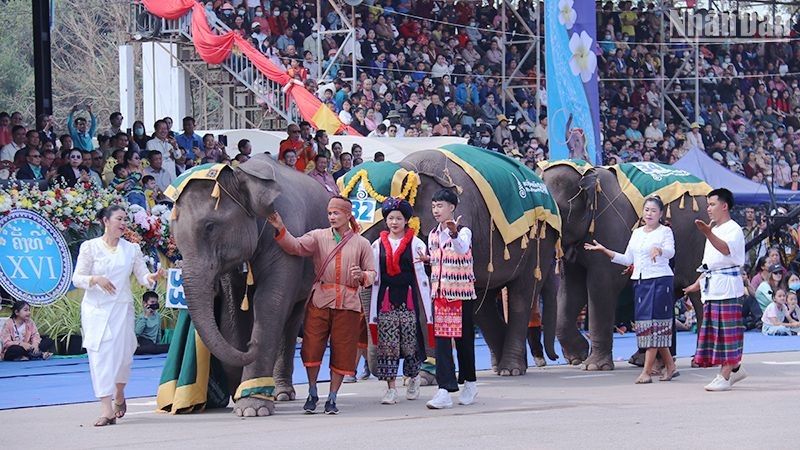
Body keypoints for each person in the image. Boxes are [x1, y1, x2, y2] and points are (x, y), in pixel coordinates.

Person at [267, 196, 376, 415]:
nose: (332, 217)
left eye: (336, 213)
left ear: (348, 215)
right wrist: (280, 228)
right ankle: (312, 391)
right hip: (320, 300)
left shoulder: (361, 243)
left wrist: (362, 275)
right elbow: (296, 246)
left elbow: (373, 274)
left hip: (348, 303)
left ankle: (333, 397)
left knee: (343, 351)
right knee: (311, 348)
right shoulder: (317, 236)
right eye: (330, 213)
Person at [72, 205, 165, 426]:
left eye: (125, 219)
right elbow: (77, 278)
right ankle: (106, 409)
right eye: (118, 219)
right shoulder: (90, 247)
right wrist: (95, 279)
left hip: (121, 310)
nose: (123, 223)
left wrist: (153, 276)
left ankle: (120, 394)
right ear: (105, 221)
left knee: (124, 357)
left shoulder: (131, 249)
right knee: (100, 356)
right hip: (96, 310)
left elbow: (143, 277)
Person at [585, 196, 679, 383]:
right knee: (647, 326)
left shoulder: (665, 232)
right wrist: (605, 251)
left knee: (654, 326)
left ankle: (646, 371)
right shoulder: (636, 233)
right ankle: (670, 365)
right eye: (646, 210)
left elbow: (671, 252)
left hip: (660, 280)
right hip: (640, 282)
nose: (649, 214)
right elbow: (628, 259)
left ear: (660, 214)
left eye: (653, 210)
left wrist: (660, 251)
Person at [418, 188, 478, 409]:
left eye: (440, 206)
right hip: (440, 295)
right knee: (442, 343)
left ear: (452, 207)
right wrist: (428, 258)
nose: (436, 210)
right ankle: (444, 389)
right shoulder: (432, 234)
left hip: (461, 295)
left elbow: (462, 250)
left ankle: (470, 383)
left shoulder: (463, 231)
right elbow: (437, 259)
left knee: (464, 341)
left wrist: (453, 233)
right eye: (433, 206)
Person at [369, 198, 433, 405]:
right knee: (387, 345)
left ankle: (413, 378)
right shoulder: (377, 245)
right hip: (385, 299)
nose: (394, 222)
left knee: (409, 343)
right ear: (385, 221)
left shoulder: (416, 244)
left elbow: (426, 270)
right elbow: (371, 272)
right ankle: (390, 388)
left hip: (408, 299)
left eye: (398, 218)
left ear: (406, 221)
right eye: (390, 218)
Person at [683, 188, 747, 392]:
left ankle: (725, 375)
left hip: (728, 288)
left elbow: (727, 250)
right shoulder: (716, 229)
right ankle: (735, 368)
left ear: (724, 206)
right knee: (717, 333)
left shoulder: (733, 229)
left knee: (727, 334)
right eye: (708, 205)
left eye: (712, 204)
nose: (708, 209)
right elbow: (710, 264)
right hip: (713, 287)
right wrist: (697, 283)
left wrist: (708, 233)